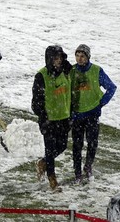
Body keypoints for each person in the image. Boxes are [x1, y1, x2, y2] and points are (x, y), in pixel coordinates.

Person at [69, 44, 116, 184]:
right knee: (77, 146)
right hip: (76, 115)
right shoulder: (71, 71)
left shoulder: (96, 70)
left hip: (92, 114)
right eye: (77, 55)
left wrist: (101, 103)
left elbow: (111, 87)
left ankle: (88, 166)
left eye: (82, 56)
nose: (79, 58)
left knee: (92, 143)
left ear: (88, 57)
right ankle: (77, 172)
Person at [32, 45, 73, 191]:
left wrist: (70, 114)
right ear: (49, 59)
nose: (59, 61)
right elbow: (36, 102)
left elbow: (70, 94)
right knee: (50, 150)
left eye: (61, 58)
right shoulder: (41, 76)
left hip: (64, 118)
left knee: (62, 146)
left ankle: (42, 163)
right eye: (56, 58)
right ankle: (52, 180)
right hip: (49, 120)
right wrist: (44, 117)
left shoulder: (67, 73)